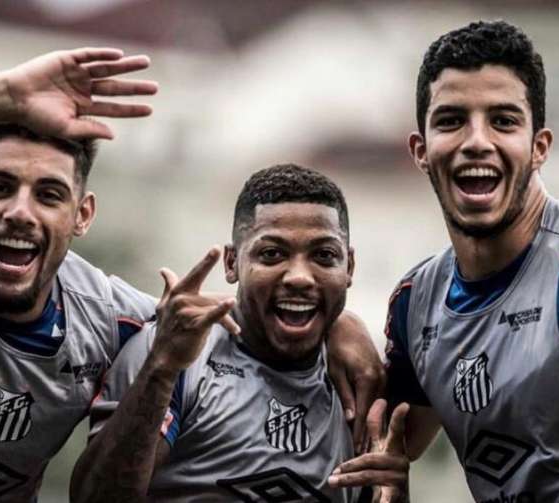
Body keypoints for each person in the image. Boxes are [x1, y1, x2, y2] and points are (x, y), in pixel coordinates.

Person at [0, 52, 383, 500]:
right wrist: (1, 94)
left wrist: (339, 324)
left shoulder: (111, 317)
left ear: (82, 215)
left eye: (49, 194)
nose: (21, 213)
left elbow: (211, 322)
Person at [331, 20, 559, 502]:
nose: (476, 140)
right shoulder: (418, 302)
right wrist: (333, 321)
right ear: (420, 151)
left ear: (539, 148)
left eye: (503, 120)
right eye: (451, 120)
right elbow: (385, 449)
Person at [70, 164, 377, 502]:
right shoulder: (177, 356)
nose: (299, 277)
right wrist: (162, 367)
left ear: (348, 267)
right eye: (272, 254)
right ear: (232, 263)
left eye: (323, 255)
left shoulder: (359, 381)